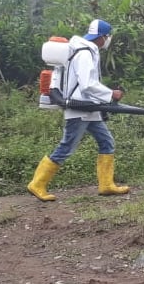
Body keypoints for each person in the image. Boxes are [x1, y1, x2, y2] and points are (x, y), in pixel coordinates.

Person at [27, 19, 129, 201]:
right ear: (102, 37)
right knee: (67, 146)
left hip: (90, 109)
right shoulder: (85, 53)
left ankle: (106, 185)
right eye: (108, 37)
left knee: (107, 142)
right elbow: (86, 84)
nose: (108, 40)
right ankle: (37, 184)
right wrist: (110, 94)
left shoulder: (85, 50)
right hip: (80, 109)